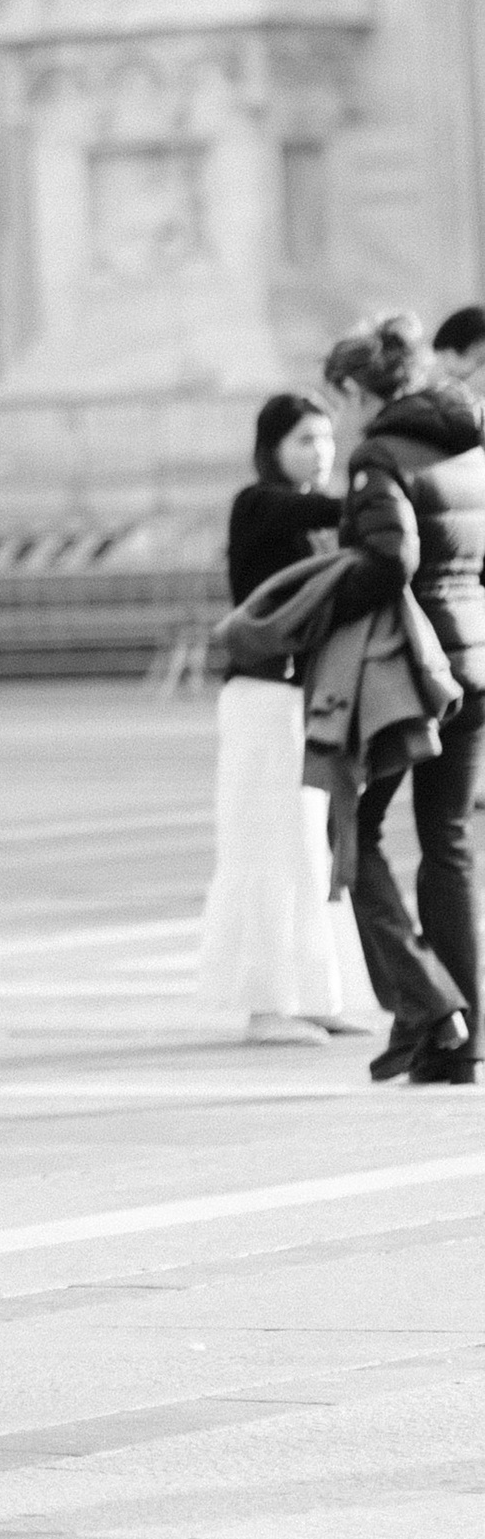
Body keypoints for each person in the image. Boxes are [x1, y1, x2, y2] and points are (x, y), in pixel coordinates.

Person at [324, 311, 485, 1084]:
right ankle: (463, 1044)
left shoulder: (378, 454)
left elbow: (389, 558)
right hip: (476, 661)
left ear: (359, 388)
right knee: (447, 843)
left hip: (411, 668)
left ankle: (429, 1003)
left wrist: (325, 592)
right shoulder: (470, 445)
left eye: (339, 398)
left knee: (353, 827)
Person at [196, 395, 369, 1040]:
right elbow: (331, 506)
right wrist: (384, 477)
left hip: (302, 698)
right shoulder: (261, 503)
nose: (320, 452)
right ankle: (266, 1006)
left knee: (306, 850)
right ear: (272, 448)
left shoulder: (308, 521)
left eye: (326, 439)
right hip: (261, 699)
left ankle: (313, 994)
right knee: (264, 845)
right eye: (304, 441)